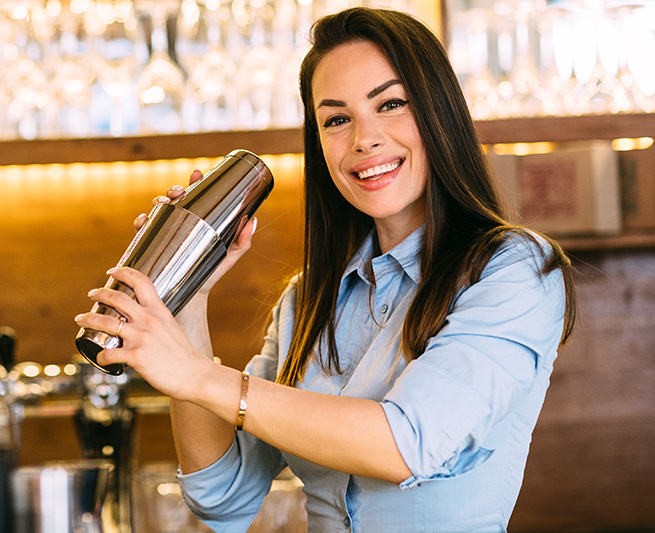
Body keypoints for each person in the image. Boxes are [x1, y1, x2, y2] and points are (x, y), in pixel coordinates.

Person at [74, 7, 577, 532]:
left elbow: (408, 444)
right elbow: (223, 498)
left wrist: (199, 376)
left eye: (392, 104)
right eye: (337, 119)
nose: (365, 138)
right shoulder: (308, 300)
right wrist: (187, 303)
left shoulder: (516, 271)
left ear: (439, 113)